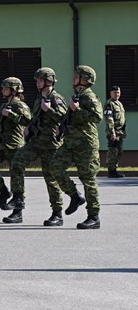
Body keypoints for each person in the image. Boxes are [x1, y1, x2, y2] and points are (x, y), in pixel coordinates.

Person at [6, 67, 67, 226]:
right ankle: (18, 200)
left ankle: (57, 214)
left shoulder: (56, 98)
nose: (37, 83)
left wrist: (49, 109)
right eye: (37, 80)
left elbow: (63, 118)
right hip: (35, 142)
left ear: (49, 81)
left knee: (50, 179)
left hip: (51, 144)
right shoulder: (39, 98)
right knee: (17, 161)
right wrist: (29, 127)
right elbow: (36, 119)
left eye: (40, 80)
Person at [51, 65, 103, 229]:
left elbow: (97, 117)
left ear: (85, 79)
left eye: (76, 76)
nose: (73, 78)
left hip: (86, 144)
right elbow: (71, 118)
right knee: (55, 167)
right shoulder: (77, 95)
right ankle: (75, 196)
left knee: (88, 179)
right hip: (70, 143)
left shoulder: (90, 96)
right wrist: (62, 128)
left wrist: (77, 109)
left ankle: (93, 217)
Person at [0, 78, 32, 212]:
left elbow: (27, 121)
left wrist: (12, 115)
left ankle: (17, 210)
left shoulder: (20, 105)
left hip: (14, 145)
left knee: (16, 175)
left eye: (5, 88)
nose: (2, 90)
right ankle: (3, 190)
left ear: (14, 90)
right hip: (0, 145)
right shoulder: (4, 105)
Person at [104, 85, 127, 178]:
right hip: (113, 132)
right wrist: (112, 132)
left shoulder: (119, 104)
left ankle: (115, 169)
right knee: (113, 151)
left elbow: (122, 118)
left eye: (118, 92)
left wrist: (124, 131)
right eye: (115, 92)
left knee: (119, 151)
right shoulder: (109, 104)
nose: (117, 94)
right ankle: (111, 171)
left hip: (120, 132)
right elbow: (109, 119)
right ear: (111, 93)